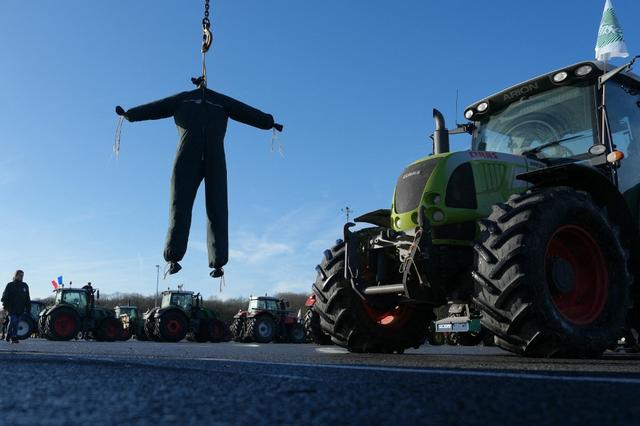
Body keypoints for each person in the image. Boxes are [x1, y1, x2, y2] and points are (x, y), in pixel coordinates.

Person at [116, 82, 283, 279]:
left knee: (218, 208)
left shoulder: (220, 102)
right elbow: (157, 107)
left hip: (215, 160)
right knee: (179, 205)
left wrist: (267, 121)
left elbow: (244, 111)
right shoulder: (183, 99)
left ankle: (218, 260)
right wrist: (131, 114)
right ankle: (173, 255)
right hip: (186, 159)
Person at [1, 270, 31, 344]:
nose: (21, 277)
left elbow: (27, 298)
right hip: (11, 308)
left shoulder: (25, 286)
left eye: (22, 276)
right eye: (20, 275)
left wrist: (28, 308)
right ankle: (11, 336)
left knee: (17, 323)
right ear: (16, 275)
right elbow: (5, 296)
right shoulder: (10, 285)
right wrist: (5, 306)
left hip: (20, 308)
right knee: (13, 321)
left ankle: (11, 336)